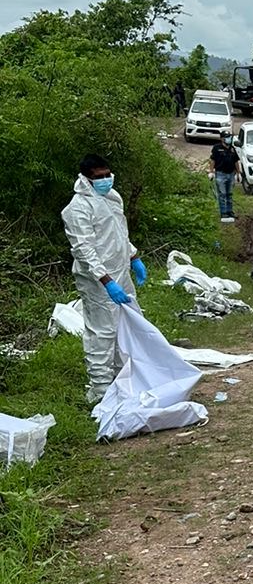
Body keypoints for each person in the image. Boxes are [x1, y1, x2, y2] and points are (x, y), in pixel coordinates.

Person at [61, 155, 148, 404]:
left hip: (120, 271)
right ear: (86, 179)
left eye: (107, 174)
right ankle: (101, 392)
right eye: (98, 177)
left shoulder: (112, 198)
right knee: (102, 333)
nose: (105, 180)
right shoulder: (77, 209)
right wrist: (105, 280)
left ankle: (126, 380)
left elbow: (118, 234)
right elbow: (84, 249)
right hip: (96, 280)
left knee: (129, 325)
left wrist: (133, 256)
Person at [208, 131, 238, 223]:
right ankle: (223, 212)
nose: (229, 139)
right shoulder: (217, 148)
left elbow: (236, 161)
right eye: (226, 137)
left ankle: (230, 211)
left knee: (229, 194)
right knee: (222, 194)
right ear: (222, 139)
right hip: (221, 174)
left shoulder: (232, 149)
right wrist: (211, 172)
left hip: (231, 174)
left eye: (229, 137)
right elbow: (212, 160)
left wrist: (239, 173)